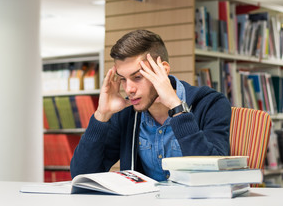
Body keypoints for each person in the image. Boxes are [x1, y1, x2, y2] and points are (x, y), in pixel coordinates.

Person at [70, 29, 231, 181]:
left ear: (163, 70)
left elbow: (215, 174)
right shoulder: (127, 113)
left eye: (138, 77)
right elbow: (81, 175)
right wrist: (102, 115)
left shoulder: (211, 103)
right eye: (123, 79)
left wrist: (177, 108)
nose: (129, 89)